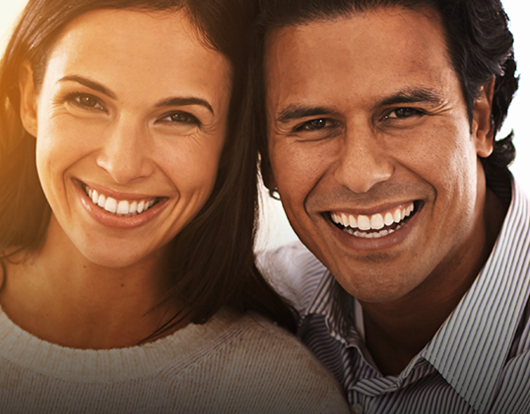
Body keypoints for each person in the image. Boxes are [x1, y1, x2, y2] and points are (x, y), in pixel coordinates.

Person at [0, 0, 350, 412]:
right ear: (29, 101)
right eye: (87, 101)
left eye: (179, 117)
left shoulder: (280, 393)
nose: (123, 166)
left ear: (232, 141)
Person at [254, 0, 530, 412]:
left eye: (402, 113)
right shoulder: (256, 312)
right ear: (266, 157)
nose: (361, 175)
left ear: (480, 118)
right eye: (314, 124)